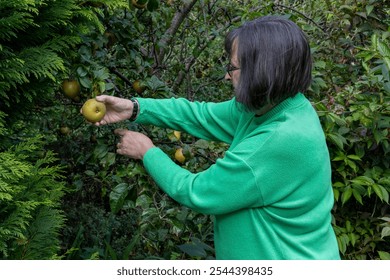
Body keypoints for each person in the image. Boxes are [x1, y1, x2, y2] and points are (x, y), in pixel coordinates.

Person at [86, 15, 340, 260]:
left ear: (263, 69)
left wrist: (147, 151)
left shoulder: (278, 139)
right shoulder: (274, 106)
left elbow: (197, 192)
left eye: (233, 67)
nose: (227, 75)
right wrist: (134, 108)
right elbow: (200, 116)